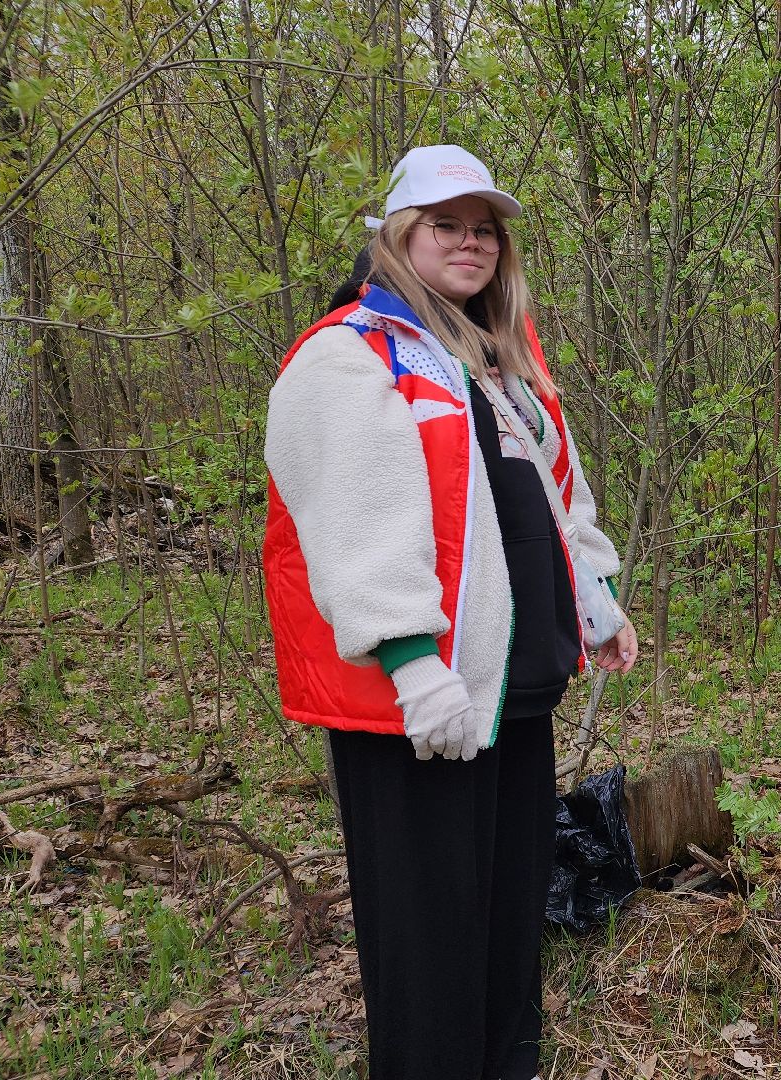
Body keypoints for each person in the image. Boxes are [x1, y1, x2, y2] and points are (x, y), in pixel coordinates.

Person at [263, 144, 638, 1080]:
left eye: (485, 229)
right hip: (419, 704)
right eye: (446, 224)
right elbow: (353, 521)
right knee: (429, 932)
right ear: (399, 234)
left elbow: (555, 492)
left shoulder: (499, 359)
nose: (471, 242)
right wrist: (411, 662)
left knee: (508, 913)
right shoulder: (350, 352)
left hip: (515, 690)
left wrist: (594, 599)